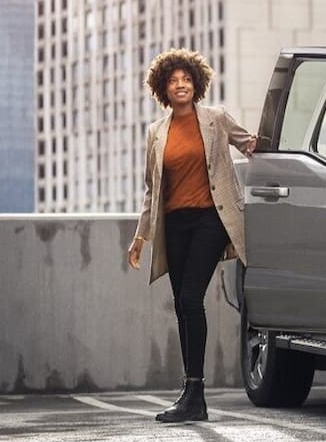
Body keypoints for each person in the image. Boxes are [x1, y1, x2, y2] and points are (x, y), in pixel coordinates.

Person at [126, 48, 255, 423]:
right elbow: (151, 188)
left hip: (211, 219)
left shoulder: (215, 119)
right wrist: (140, 237)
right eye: (173, 80)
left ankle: (196, 393)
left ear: (196, 83)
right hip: (175, 224)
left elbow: (247, 142)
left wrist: (266, 147)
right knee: (182, 306)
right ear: (163, 88)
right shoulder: (157, 132)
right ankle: (191, 394)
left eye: (186, 79)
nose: (180, 84)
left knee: (190, 297)